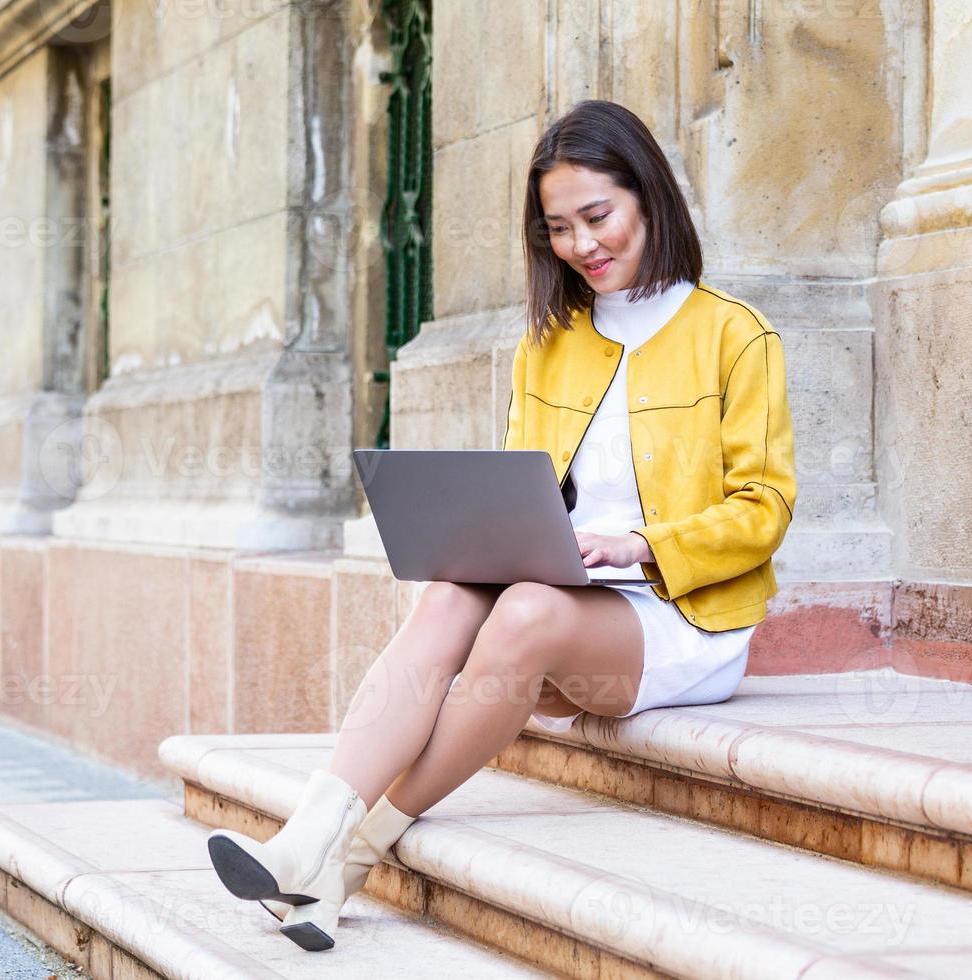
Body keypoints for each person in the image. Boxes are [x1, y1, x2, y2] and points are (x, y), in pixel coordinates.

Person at [206, 99, 797, 952]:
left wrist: (640, 546)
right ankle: (309, 837)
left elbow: (765, 506)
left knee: (521, 612)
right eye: (559, 228)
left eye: (598, 217)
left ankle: (356, 852)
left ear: (650, 200)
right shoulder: (547, 343)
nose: (583, 245)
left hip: (682, 614)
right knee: (452, 593)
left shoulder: (736, 336)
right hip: (565, 600)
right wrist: (491, 536)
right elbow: (524, 488)